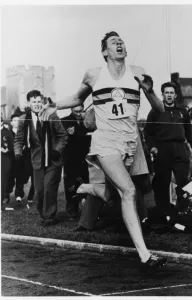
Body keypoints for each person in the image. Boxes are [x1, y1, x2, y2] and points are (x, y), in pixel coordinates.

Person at [39, 31, 166, 272]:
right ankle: (145, 255)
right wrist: (54, 105)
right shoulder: (94, 74)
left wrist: (149, 90)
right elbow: (77, 99)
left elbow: (159, 109)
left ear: (125, 50)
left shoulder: (137, 71)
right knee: (128, 191)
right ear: (105, 52)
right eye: (113, 42)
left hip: (131, 141)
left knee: (114, 196)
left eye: (121, 42)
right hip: (105, 141)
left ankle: (85, 188)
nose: (119, 44)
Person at [144, 81, 192, 218]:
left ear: (175, 95)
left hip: (180, 148)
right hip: (162, 149)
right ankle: (163, 212)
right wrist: (152, 147)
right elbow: (147, 132)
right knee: (162, 182)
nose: (169, 95)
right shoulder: (155, 111)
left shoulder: (182, 111)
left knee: (183, 180)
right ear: (162, 95)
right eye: (166, 93)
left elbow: (189, 129)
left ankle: (182, 212)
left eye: (171, 93)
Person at [14, 90, 68, 226]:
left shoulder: (51, 115)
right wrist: (18, 152)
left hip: (53, 160)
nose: (37, 104)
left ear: (42, 102)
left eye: (39, 101)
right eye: (34, 102)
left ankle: (50, 216)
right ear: (28, 103)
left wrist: (57, 150)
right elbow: (19, 139)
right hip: (37, 160)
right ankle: (44, 215)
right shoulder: (23, 119)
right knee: (38, 192)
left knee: (49, 187)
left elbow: (63, 136)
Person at [61, 105, 91, 220]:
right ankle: (72, 212)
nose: (78, 114)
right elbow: (67, 137)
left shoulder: (87, 121)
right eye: (76, 111)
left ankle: (87, 210)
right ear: (71, 110)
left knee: (86, 183)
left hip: (85, 158)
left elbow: (88, 134)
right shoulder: (65, 121)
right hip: (70, 159)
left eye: (80, 111)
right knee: (71, 185)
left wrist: (78, 131)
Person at [1, 115, 14, 209]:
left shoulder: (7, 132)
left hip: (5, 159)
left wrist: (6, 149)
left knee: (4, 179)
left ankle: (5, 196)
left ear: (1, 122)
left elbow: (11, 146)